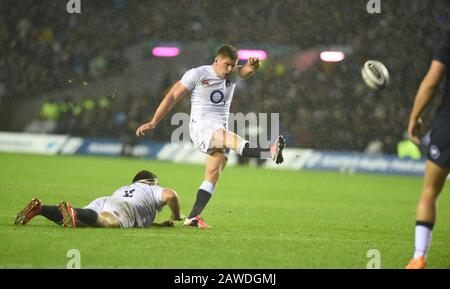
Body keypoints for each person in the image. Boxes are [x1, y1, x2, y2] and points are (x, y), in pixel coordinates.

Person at [135, 45, 285, 228]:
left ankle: (192, 218)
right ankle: (269, 152)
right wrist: (154, 121)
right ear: (216, 60)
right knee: (230, 138)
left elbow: (248, 70)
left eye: (233, 65)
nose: (230, 69)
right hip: (201, 128)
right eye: (227, 64)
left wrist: (255, 66)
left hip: (218, 127)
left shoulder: (233, 74)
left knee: (213, 173)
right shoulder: (198, 74)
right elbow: (173, 95)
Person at [406, 30, 450, 269]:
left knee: (430, 191)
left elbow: (432, 81)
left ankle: (419, 257)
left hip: (448, 125)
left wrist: (415, 116)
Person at [14, 170, 183, 228]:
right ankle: (71, 211)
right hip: (124, 207)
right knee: (106, 222)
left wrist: (159, 224)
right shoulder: (151, 187)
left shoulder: (125, 188)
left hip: (107, 200)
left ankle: (41, 209)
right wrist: (175, 216)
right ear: (152, 181)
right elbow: (171, 195)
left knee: (80, 220)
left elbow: (141, 219)